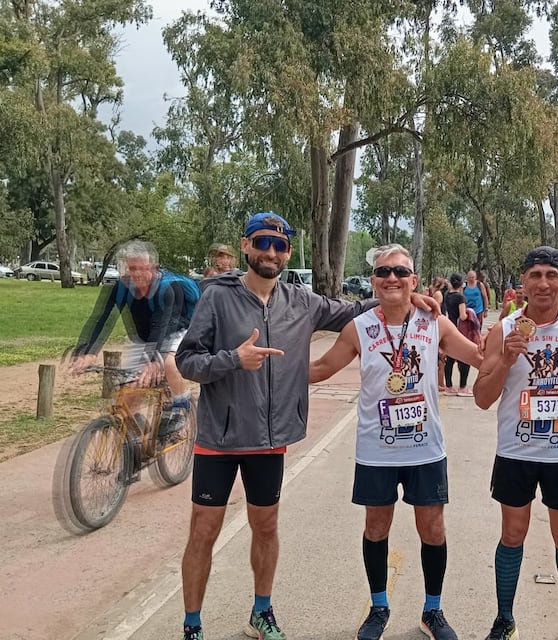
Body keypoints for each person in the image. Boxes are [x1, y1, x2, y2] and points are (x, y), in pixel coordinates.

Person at [174, 213, 438, 640]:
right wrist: (233, 360)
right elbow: (187, 361)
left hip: (270, 438)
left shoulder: (301, 301)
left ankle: (262, 612)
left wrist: (409, 297)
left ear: (287, 253)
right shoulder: (217, 297)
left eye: (279, 246)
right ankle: (192, 624)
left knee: (266, 528)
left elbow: (355, 309)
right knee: (203, 531)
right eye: (263, 242)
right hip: (218, 438)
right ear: (246, 246)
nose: (271, 252)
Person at [309, 244, 483, 640]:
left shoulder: (434, 322)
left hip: (425, 448)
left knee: (432, 529)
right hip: (377, 450)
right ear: (373, 281)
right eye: (384, 272)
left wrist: (511, 349)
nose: (392, 278)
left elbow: (477, 357)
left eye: (401, 272)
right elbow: (321, 367)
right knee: (376, 527)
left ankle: (433, 611)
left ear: (414, 280)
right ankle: (379, 607)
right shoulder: (359, 328)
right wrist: (267, 368)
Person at [472, 246, 558, 640]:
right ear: (523, 282)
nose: (543, 283)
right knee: (512, 535)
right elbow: (482, 398)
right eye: (535, 275)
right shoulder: (505, 330)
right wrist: (505, 360)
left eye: (552, 275)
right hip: (516, 451)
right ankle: (504, 619)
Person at [70, 240, 194, 436]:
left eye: (142, 269)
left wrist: (153, 361)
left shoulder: (168, 289)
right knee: (128, 393)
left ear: (154, 268)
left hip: (173, 330)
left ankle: (180, 405)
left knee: (169, 364)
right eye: (132, 268)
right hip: (141, 338)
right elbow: (101, 319)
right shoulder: (120, 287)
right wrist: (88, 351)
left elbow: (161, 326)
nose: (136, 274)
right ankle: (137, 439)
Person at [444, 273, 476, 396]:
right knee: (465, 357)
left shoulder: (447, 295)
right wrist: (470, 313)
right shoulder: (460, 298)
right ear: (462, 284)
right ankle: (463, 387)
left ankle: (449, 386)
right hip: (460, 331)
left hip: (449, 327)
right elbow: (462, 316)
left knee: (450, 359)